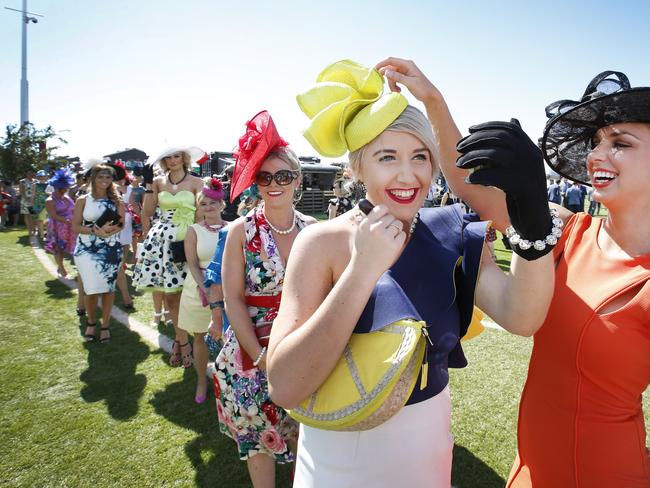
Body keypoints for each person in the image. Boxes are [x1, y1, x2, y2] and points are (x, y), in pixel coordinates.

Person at [266, 59, 556, 487]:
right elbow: (285, 385)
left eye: (420, 156)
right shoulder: (322, 242)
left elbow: (521, 316)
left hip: (428, 453)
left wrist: (533, 226)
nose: (408, 175)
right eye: (387, 157)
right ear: (357, 168)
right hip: (339, 460)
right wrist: (363, 269)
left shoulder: (451, 229)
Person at [425, 68, 650, 486]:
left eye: (620, 143)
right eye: (595, 143)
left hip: (606, 473)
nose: (597, 155)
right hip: (530, 465)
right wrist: (434, 101)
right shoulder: (569, 231)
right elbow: (471, 184)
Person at [214, 111, 316, 488]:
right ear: (255, 182)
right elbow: (233, 299)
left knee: (303, 434)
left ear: (297, 180)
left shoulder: (315, 231)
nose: (274, 184)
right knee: (260, 441)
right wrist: (260, 356)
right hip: (249, 354)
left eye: (283, 176)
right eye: (265, 177)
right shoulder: (240, 231)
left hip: (304, 348)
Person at [132, 146, 205, 367]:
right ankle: (182, 343)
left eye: (176, 156)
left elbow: (200, 214)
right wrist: (147, 186)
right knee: (171, 296)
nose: (172, 160)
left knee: (190, 294)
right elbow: (147, 212)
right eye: (168, 157)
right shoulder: (158, 182)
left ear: (184, 158)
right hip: (162, 241)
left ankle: (191, 339)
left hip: (188, 240)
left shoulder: (196, 182)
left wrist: (199, 240)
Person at [177, 177, 227, 404]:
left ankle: (227, 382)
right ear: (199, 207)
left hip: (227, 289)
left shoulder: (233, 227)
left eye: (213, 202)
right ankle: (201, 380)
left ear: (221, 204)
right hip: (198, 289)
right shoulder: (193, 230)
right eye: (204, 203)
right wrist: (205, 288)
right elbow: (193, 264)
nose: (208, 207)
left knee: (229, 337)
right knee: (200, 337)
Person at [71, 163, 125, 343]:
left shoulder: (117, 200)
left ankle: (105, 325)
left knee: (108, 289)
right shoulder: (82, 200)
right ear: (93, 178)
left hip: (110, 249)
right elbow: (75, 227)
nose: (104, 180)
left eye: (108, 177)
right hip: (86, 250)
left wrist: (108, 232)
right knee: (90, 290)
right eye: (101, 177)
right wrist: (95, 231)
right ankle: (91, 322)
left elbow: (121, 224)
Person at [44, 169, 76, 277]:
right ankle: (61, 267)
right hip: (57, 227)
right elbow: (53, 216)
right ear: (57, 187)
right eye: (63, 187)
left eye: (66, 187)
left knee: (73, 246)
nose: (65, 189)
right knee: (58, 247)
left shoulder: (67, 197)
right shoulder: (50, 200)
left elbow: (74, 209)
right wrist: (67, 221)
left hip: (70, 226)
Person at [33, 170, 50, 240]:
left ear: (46, 176)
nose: (42, 177)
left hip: (48, 204)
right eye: (40, 176)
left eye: (43, 176)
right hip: (38, 204)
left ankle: (48, 234)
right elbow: (33, 194)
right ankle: (41, 235)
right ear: (38, 177)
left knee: (48, 220)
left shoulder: (49, 184)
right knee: (40, 220)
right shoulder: (35, 184)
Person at [19, 170, 36, 235]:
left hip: (33, 200)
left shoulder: (35, 181)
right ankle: (29, 230)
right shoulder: (22, 181)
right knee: (27, 215)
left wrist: (32, 199)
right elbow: (21, 191)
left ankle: (34, 229)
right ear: (26, 173)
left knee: (33, 215)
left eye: (31, 172)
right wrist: (27, 199)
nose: (30, 174)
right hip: (25, 200)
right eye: (28, 173)